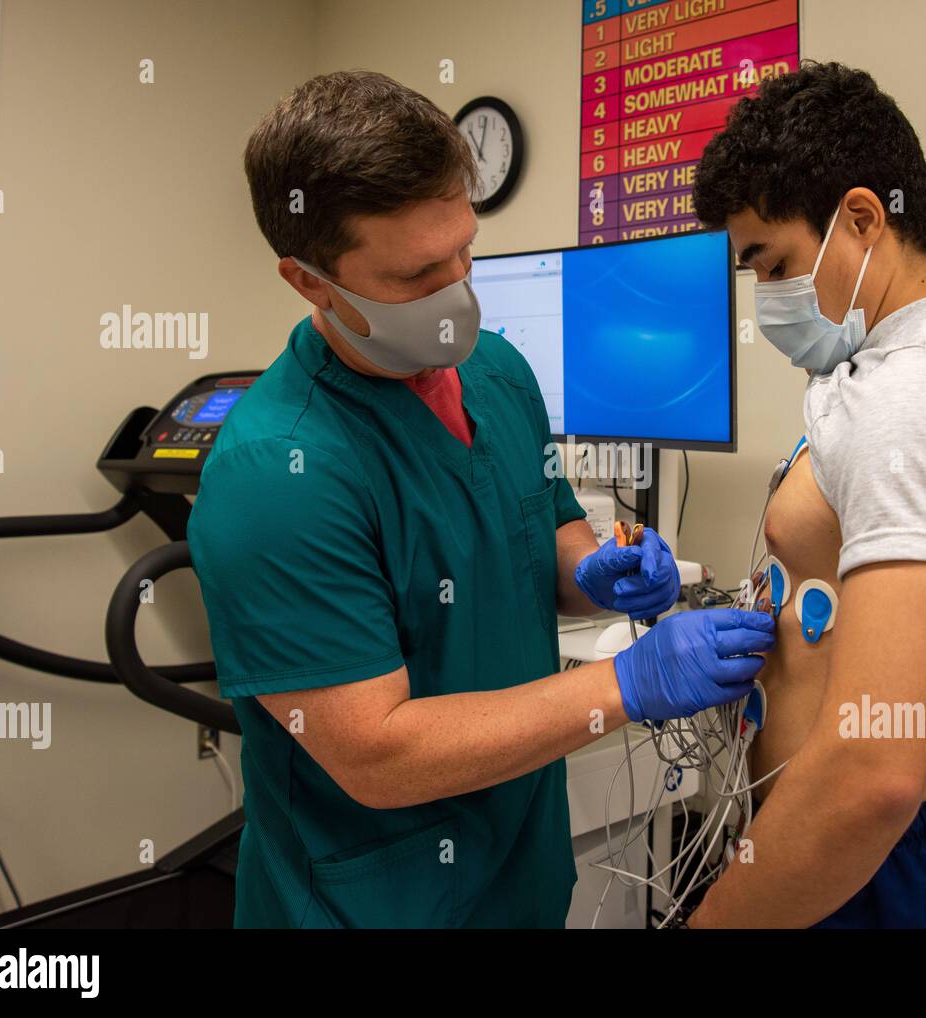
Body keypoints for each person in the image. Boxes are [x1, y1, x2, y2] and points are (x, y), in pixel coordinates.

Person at [187, 70, 775, 928]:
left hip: (517, 866)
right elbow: (378, 753)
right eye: (417, 274)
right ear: (310, 282)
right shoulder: (275, 474)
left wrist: (598, 570)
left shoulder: (497, 372)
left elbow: (550, 531)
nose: (459, 292)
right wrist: (630, 682)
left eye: (464, 250)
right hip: (376, 902)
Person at [684, 61, 926, 928]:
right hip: (846, 849)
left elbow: (880, 766)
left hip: (880, 864)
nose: (766, 296)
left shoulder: (917, 397)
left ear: (862, 218)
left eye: (772, 264)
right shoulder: (873, 371)